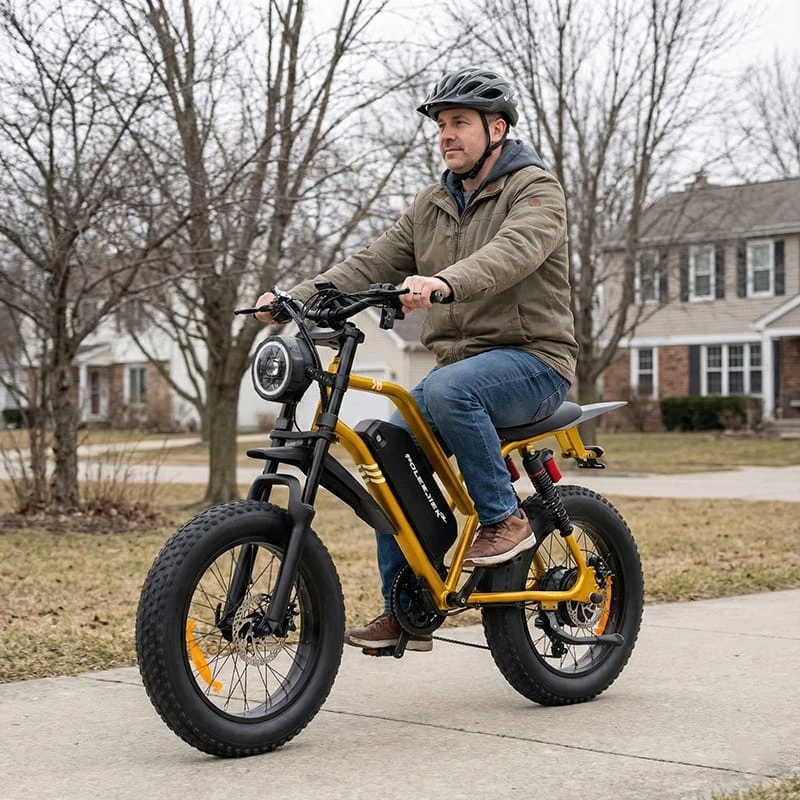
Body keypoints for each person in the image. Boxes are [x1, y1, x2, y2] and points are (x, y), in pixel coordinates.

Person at [254, 66, 577, 653]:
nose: (446, 135)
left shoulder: (534, 189)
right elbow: (372, 260)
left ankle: (504, 520)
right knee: (384, 449)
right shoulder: (432, 204)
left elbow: (515, 251)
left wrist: (444, 284)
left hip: (534, 361)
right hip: (461, 371)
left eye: (459, 123)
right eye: (441, 125)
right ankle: (408, 607)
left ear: (497, 128)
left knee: (454, 389)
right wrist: (294, 297)